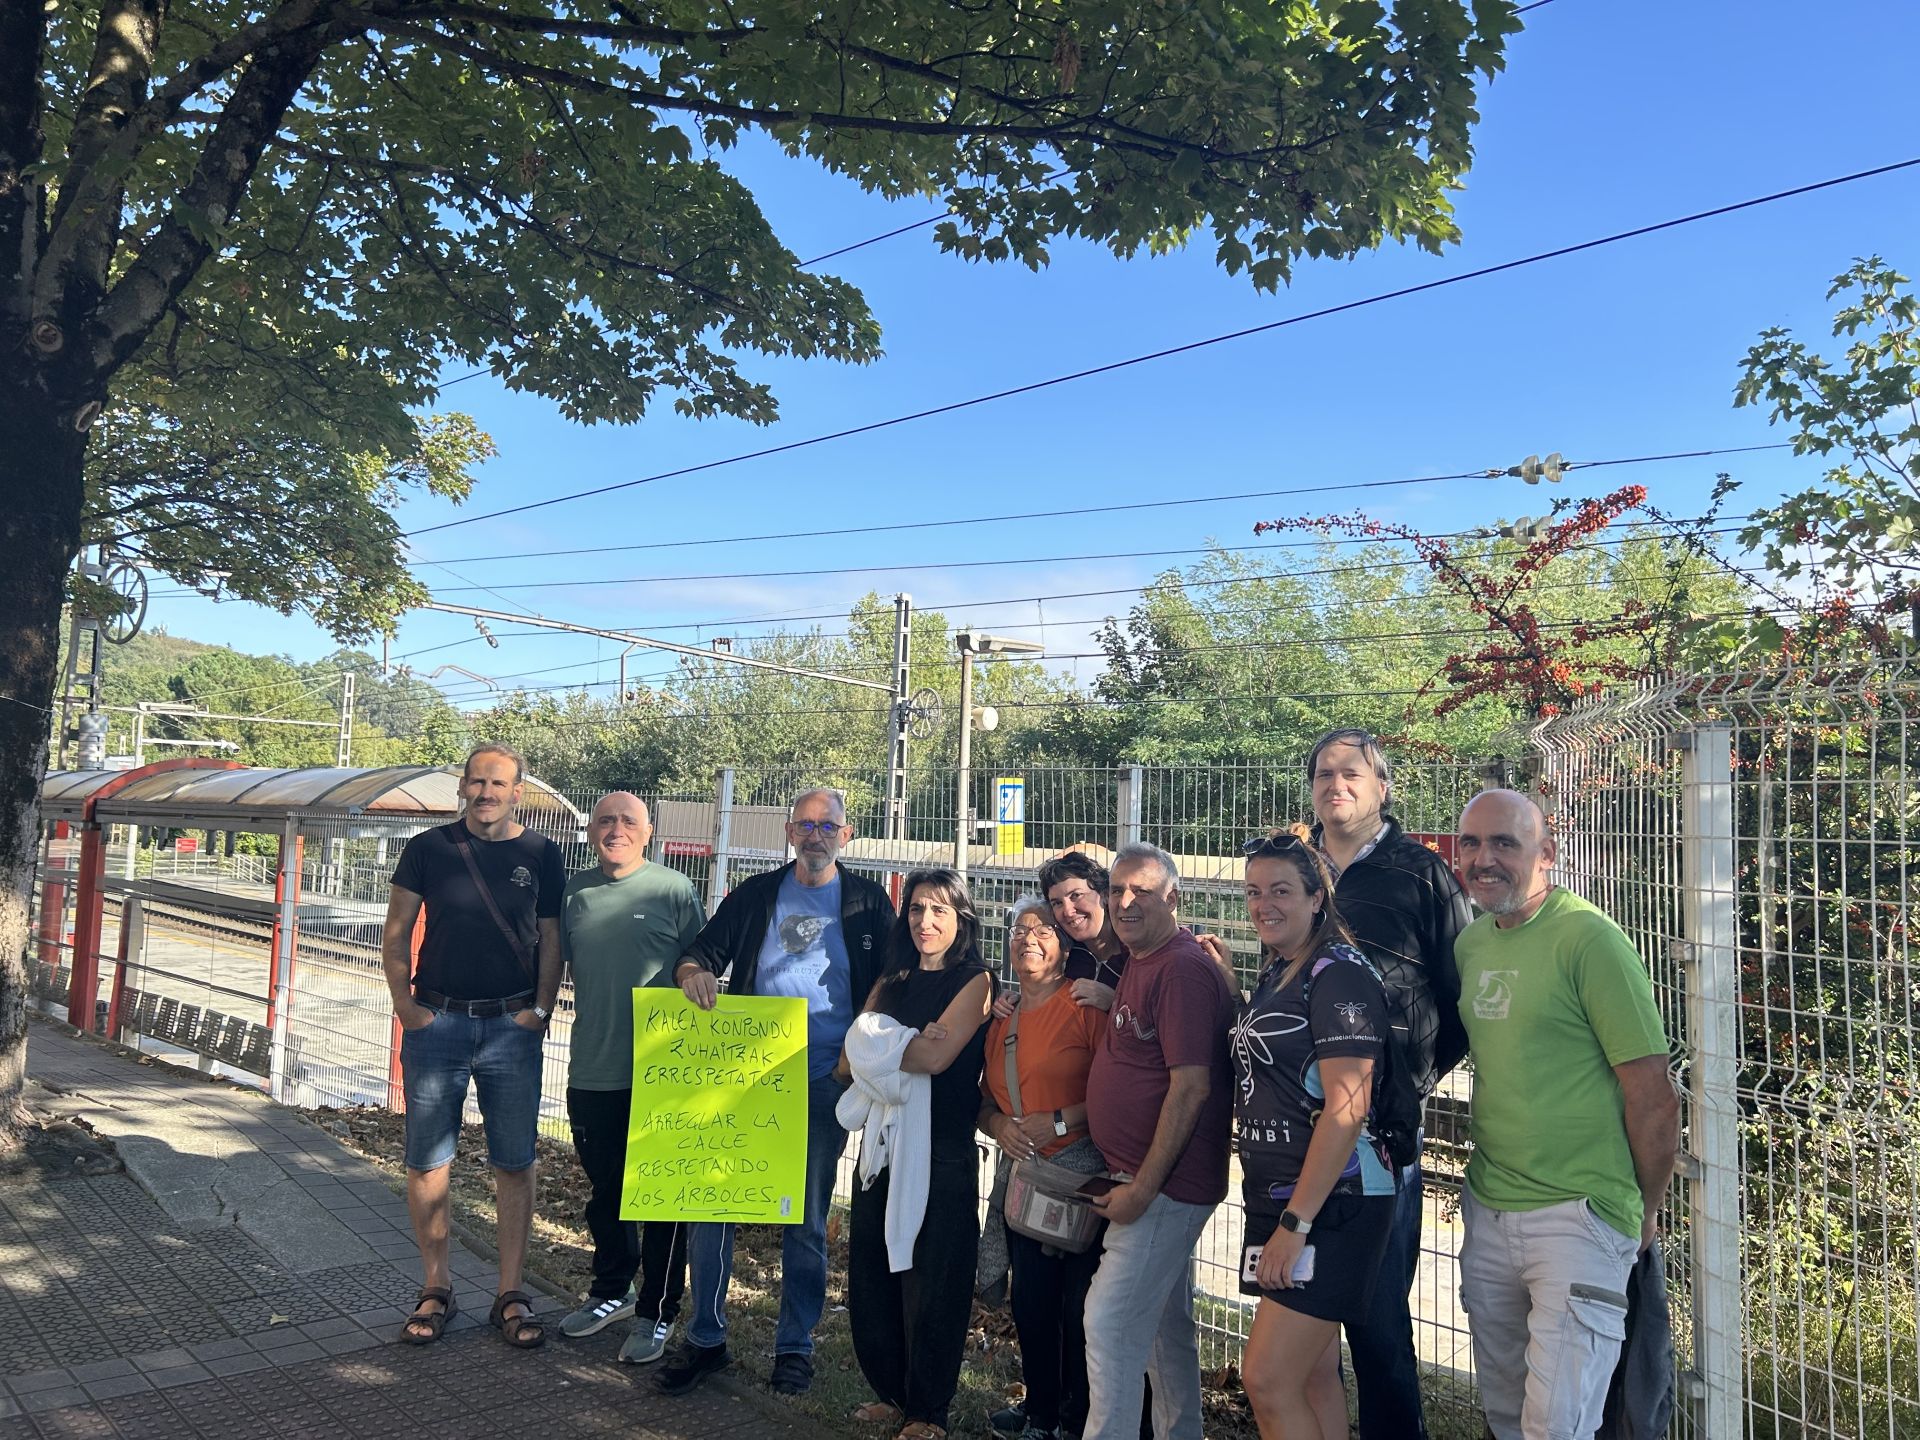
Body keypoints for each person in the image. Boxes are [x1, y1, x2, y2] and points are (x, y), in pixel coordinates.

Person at [1453, 790, 1679, 1440]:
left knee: (1558, 1425)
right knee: (1504, 1414)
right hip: (1488, 1212)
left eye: (1504, 843)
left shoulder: (1590, 941)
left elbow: (1654, 1093)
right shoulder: (1471, 944)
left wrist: (1646, 1207)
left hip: (1579, 1218)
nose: (1484, 858)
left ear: (1546, 853)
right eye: (1470, 843)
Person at [658, 787, 897, 1397]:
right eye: (805, 824)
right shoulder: (756, 895)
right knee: (712, 1206)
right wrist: (695, 976)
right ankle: (707, 1337)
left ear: (846, 835)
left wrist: (850, 1062)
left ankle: (794, 1347)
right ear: (789, 833)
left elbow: (893, 984)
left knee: (807, 1219)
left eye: (828, 825)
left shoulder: (869, 903)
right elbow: (695, 955)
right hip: (745, 1077)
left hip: (823, 1081)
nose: (815, 834)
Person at [1305, 727, 1472, 1439]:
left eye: (1351, 772)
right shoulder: (1297, 868)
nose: (1335, 783)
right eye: (1323, 773)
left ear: (1382, 787)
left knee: (1376, 1318)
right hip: (1297, 1130)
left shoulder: (1419, 873)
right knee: (1307, 1315)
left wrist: (1413, 1078)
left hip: (1381, 1135)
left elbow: (1461, 992)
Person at [381, 742, 565, 1348]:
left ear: (519, 791)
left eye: (499, 784)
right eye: (477, 782)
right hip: (440, 1024)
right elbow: (398, 929)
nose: (487, 793)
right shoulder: (427, 850)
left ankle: (509, 1293)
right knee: (428, 1160)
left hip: (512, 1030)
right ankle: (436, 1288)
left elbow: (550, 935)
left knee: (514, 1161)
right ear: (463, 787)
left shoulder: (541, 853)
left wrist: (540, 1009)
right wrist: (408, 1007)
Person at [1230, 831, 1399, 1439]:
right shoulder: (1280, 967)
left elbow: (1346, 1111)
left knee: (1268, 1380)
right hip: (1282, 1194)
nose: (1263, 904)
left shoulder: (1338, 974)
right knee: (1312, 1376)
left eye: (1280, 890)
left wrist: (1295, 1225)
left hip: (1333, 1203)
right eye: (1253, 892)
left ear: (1316, 898)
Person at [1080, 843, 1237, 1440]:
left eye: (1141, 891)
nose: (1124, 902)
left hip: (1164, 1187)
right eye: (1117, 889)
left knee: (1111, 1323)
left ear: (1173, 898)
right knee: (1165, 1333)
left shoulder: (1180, 968)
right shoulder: (1142, 959)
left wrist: (1143, 1188)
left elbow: (1191, 1088)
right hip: (1143, 1179)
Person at [844, 869, 994, 1440]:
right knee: (876, 1274)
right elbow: (849, 1055)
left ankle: (928, 1411)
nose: (925, 921)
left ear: (961, 919)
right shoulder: (893, 976)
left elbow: (934, 1061)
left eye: (939, 910)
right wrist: (904, 1042)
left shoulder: (975, 980)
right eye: (916, 910)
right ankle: (892, 1391)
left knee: (934, 1284)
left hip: (941, 1152)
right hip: (882, 1147)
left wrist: (882, 1042)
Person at [558, 793, 705, 1362]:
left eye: (628, 822)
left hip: (662, 1072)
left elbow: (703, 963)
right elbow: (557, 963)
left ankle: (657, 1311)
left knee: (662, 1198)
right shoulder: (574, 890)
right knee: (607, 1193)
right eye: (605, 821)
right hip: (593, 1066)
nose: (616, 830)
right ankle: (610, 1292)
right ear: (592, 830)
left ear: (649, 833)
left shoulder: (674, 890)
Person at [977, 897, 1108, 1440]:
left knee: (1079, 1310)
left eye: (1044, 931)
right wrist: (998, 1127)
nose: (1028, 939)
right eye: (1019, 930)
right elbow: (984, 1100)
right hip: (1026, 1185)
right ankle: (1040, 1411)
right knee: (1031, 1304)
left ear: (1064, 946)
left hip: (1082, 1180)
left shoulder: (1086, 1008)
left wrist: (1057, 1123)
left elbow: (1116, 1094)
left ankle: (1076, 1419)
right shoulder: (999, 1018)